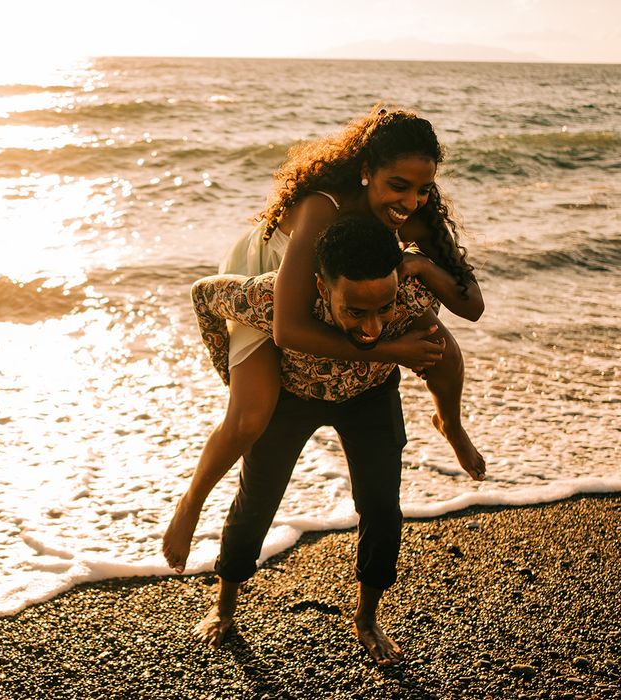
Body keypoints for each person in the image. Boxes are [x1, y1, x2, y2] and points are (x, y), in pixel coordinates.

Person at [162, 106, 485, 575]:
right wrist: (392, 351)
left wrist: (421, 265)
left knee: (440, 344)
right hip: (271, 278)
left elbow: (471, 305)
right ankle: (190, 503)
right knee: (252, 414)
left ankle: (450, 424)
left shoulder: (414, 215)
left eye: (423, 188)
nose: (412, 201)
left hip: (344, 288)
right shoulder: (322, 206)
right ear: (366, 172)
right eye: (399, 186)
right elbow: (288, 328)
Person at [190, 217, 476, 665]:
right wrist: (232, 375)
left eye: (383, 308)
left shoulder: (412, 296)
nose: (373, 328)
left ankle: (366, 618)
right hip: (293, 399)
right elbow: (203, 296)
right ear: (322, 287)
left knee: (382, 507)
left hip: (371, 399)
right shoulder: (272, 298)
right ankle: (224, 605)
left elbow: (454, 334)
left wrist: (424, 269)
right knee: (257, 499)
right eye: (356, 312)